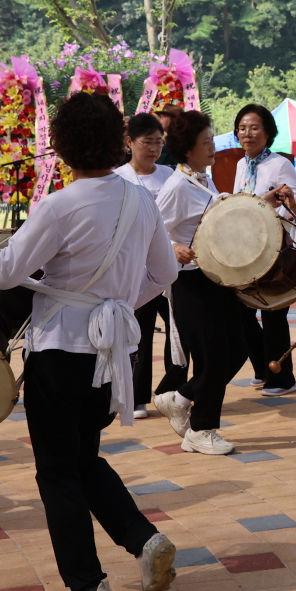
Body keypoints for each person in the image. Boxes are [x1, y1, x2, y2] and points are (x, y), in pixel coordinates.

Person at [0, 91, 180, 591]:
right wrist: (112, 305)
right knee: (81, 457)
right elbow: (165, 275)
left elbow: (2, 272)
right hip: (110, 349)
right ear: (119, 140)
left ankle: (89, 588)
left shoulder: (59, 204)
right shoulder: (140, 199)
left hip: (61, 350)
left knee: (58, 471)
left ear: (63, 148)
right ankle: (144, 540)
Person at [151, 110, 245, 455]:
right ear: (188, 148)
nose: (213, 149)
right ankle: (201, 430)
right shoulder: (177, 186)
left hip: (216, 277)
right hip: (190, 283)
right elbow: (152, 228)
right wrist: (173, 246)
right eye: (206, 143)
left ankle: (180, 397)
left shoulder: (203, 180)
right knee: (212, 357)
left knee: (239, 348)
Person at [231, 103, 296, 395]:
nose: (247, 133)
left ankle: (282, 378)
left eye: (254, 127)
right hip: (244, 249)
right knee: (242, 312)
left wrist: (288, 199)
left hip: (275, 250)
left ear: (268, 132)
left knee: (274, 313)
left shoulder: (279, 164)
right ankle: (264, 368)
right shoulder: (241, 164)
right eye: (242, 128)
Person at [120, 114, 171, 418]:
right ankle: (136, 397)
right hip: (135, 269)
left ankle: (169, 390)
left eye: (158, 142)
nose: (153, 148)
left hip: (169, 266)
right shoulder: (118, 178)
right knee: (138, 332)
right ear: (129, 143)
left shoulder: (170, 175)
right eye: (147, 142)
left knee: (178, 333)